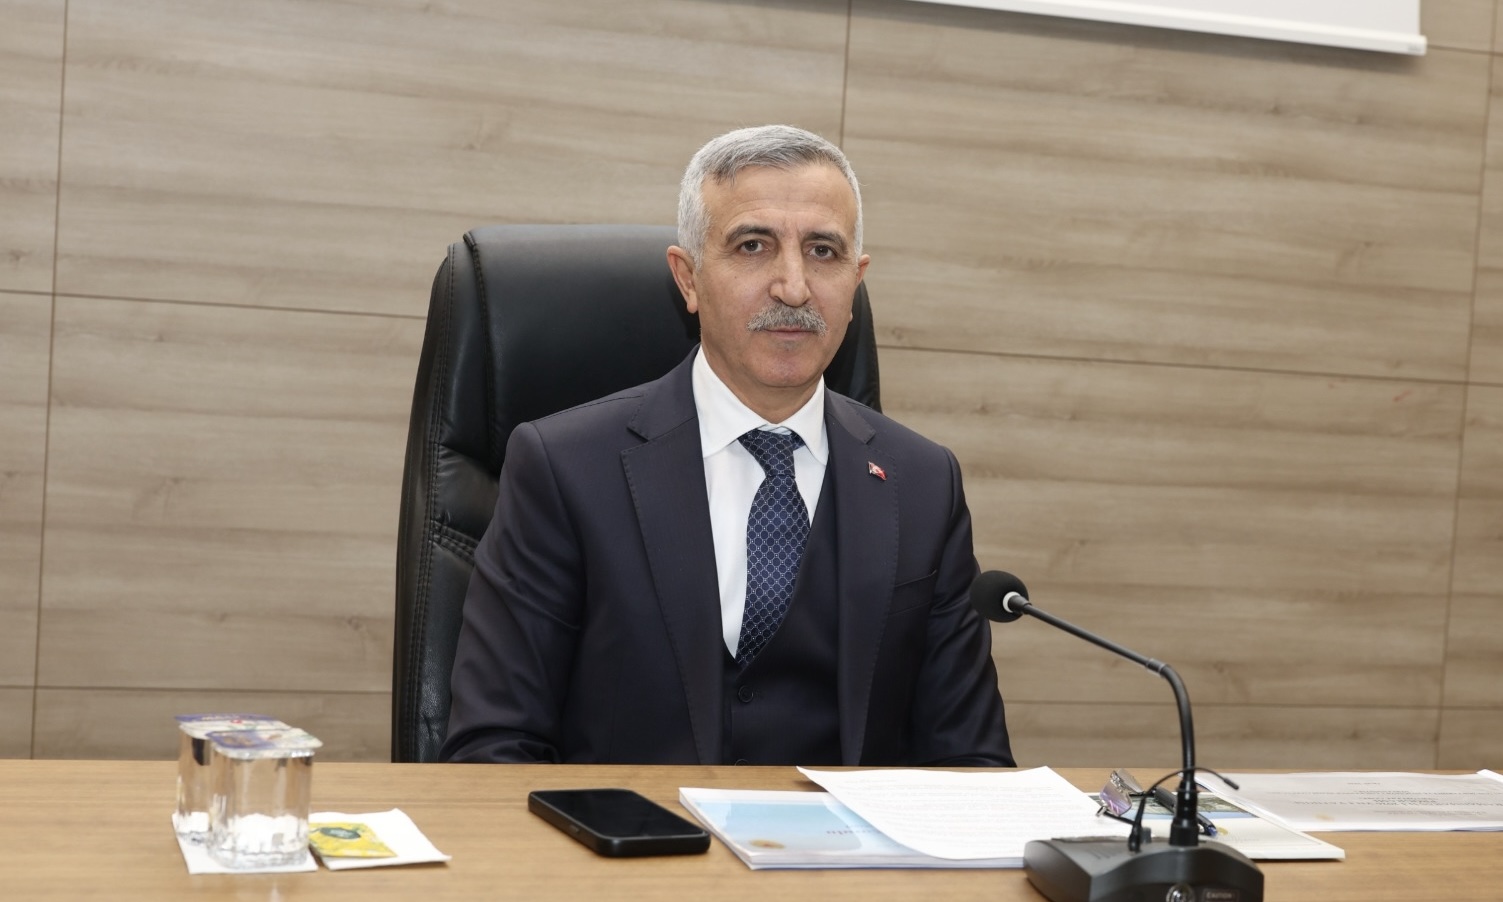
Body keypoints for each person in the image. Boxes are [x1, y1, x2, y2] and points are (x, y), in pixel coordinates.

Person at [440, 125, 1012, 767]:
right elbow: (494, 746)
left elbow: (973, 764)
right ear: (688, 278)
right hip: (633, 830)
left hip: (844, 837)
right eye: (753, 246)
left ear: (856, 281)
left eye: (823, 251)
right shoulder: (564, 468)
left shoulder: (924, 482)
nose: (793, 287)